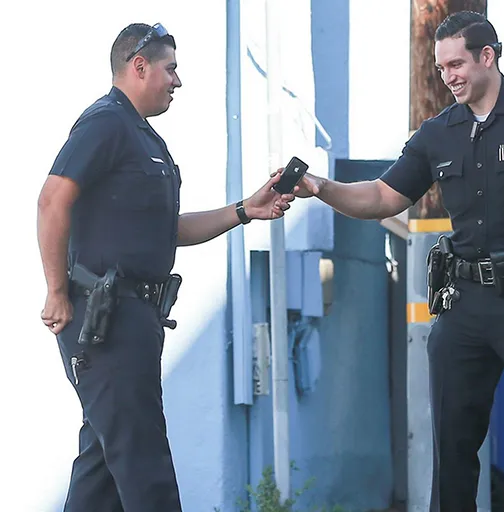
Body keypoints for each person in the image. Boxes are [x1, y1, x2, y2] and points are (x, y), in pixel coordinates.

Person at [294, 11, 504, 512]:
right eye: (440, 68)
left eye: (457, 64)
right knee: (451, 450)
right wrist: (321, 189)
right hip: (466, 304)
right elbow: (383, 197)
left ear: (487, 57)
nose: (448, 76)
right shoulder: (438, 132)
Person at [36, 23, 295, 512]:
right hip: (105, 319)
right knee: (144, 466)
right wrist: (56, 291)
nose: (178, 80)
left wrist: (245, 209)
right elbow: (53, 199)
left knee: (102, 471)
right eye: (170, 68)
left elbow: (165, 229)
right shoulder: (105, 123)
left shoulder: (141, 136)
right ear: (139, 67)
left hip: (135, 318)